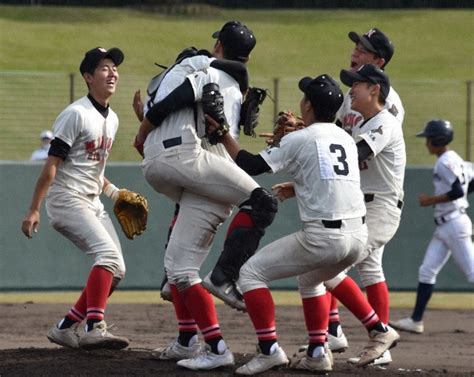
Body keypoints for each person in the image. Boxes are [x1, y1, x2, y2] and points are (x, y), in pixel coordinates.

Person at [205, 73, 399, 374]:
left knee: (250, 273)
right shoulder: (345, 138)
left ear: (307, 105)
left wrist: (223, 134)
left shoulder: (302, 138)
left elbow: (252, 165)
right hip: (357, 235)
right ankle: (320, 351)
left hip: (325, 236)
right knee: (311, 279)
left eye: (304, 97)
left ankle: (269, 350)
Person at [134, 21, 278, 370]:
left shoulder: (199, 66)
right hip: (192, 162)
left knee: (180, 270)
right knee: (263, 201)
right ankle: (225, 277)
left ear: (218, 47)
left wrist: (143, 128)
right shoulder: (224, 78)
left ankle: (214, 348)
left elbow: (182, 97)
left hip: (177, 166)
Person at [21, 47, 132, 350]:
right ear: (87, 76)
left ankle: (66, 326)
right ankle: (95, 326)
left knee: (117, 270)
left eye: (114, 68)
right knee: (107, 258)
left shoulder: (113, 119)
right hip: (66, 199)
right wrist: (34, 209)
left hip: (92, 201)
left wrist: (114, 193)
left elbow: (93, 169)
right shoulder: (76, 114)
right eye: (104, 68)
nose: (112, 73)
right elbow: (52, 165)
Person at [327, 28, 405, 365]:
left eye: (365, 49)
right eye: (356, 46)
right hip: (358, 196)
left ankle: (368, 332)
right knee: (371, 270)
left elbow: (361, 150)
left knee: (331, 265)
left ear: (379, 62)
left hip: (380, 200)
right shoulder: (351, 95)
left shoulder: (389, 106)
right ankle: (375, 345)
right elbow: (336, 135)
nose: (356, 51)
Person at [390, 120, 474, 334]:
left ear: (437, 140)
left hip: (454, 224)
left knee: (473, 273)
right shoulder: (455, 159)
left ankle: (416, 319)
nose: (426, 142)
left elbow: (456, 191)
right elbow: (466, 185)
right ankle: (416, 320)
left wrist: (431, 200)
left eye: (428, 138)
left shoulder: (444, 162)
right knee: (427, 272)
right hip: (447, 225)